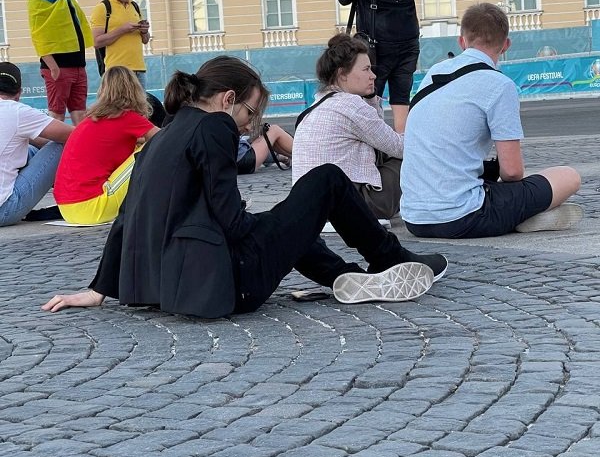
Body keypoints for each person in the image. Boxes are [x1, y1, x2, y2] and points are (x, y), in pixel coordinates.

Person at [42, 56, 447, 317]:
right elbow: (232, 222)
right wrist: (284, 223)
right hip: (230, 283)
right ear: (228, 98)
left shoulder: (163, 135)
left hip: (176, 285)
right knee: (326, 180)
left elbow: (127, 217)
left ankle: (345, 277)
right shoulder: (214, 125)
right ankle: (390, 260)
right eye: (251, 113)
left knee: (288, 219)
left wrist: (99, 289)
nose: (249, 126)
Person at [400, 2, 583, 238]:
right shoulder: (499, 85)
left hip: (414, 219)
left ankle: (520, 214)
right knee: (569, 176)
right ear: (506, 45)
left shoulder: (434, 75)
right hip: (463, 217)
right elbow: (513, 172)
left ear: (461, 41)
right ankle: (526, 216)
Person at [293, 34, 403, 220]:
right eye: (367, 69)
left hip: (309, 205)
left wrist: (370, 98)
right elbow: (398, 147)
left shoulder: (317, 103)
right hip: (351, 204)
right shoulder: (350, 105)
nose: (373, 75)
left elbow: (378, 135)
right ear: (342, 74)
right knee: (410, 156)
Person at [338, 0, 419, 133]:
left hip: (377, 46)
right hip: (409, 42)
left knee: (371, 98)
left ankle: (375, 152)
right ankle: (403, 148)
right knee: (401, 98)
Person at [53, 66, 159, 225]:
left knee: (143, 146)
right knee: (152, 148)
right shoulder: (127, 117)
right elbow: (166, 139)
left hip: (68, 210)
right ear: (134, 88)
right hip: (92, 207)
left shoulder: (93, 119)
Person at [0, 62, 72, 226]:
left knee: (30, 149)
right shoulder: (17, 111)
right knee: (61, 145)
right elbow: (74, 135)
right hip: (4, 210)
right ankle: (78, 192)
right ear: (19, 93)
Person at [28, 0, 93, 125]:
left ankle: (82, 150)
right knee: (56, 115)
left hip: (78, 63)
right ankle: (56, 152)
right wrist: (53, 67)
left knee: (80, 114)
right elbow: (37, 32)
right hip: (58, 65)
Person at [90, 0, 150, 88]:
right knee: (119, 106)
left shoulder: (135, 6)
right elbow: (96, 42)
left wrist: (144, 31)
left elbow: (145, 40)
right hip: (117, 72)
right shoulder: (103, 8)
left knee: (140, 106)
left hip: (139, 69)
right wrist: (122, 30)